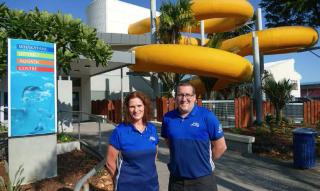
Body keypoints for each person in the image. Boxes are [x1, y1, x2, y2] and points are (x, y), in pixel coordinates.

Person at [161, 82, 227, 191]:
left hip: (203, 181)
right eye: (180, 95)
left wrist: (204, 162)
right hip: (176, 181)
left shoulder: (207, 116)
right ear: (175, 98)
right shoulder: (168, 118)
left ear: (194, 97)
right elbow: (169, 142)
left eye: (188, 95)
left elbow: (221, 146)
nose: (184, 98)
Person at [105, 91, 159, 191]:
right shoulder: (120, 131)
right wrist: (118, 179)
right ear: (127, 109)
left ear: (145, 107)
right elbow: (109, 162)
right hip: (128, 186)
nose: (136, 110)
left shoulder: (152, 129)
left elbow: (154, 155)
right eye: (132, 107)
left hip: (151, 185)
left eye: (139, 105)